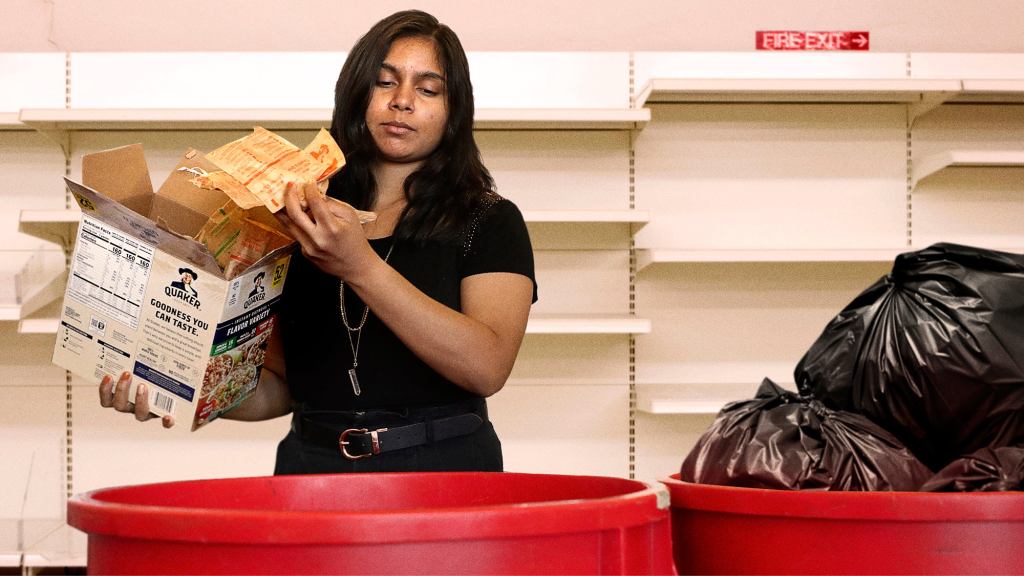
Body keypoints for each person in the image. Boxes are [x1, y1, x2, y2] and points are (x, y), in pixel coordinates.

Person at [98, 9, 537, 473]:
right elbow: (280, 389)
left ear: (453, 110)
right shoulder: (294, 215)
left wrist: (360, 266)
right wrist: (180, 388)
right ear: (356, 93)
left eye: (428, 89)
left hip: (445, 469)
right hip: (314, 468)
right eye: (385, 82)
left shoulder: (489, 219)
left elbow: (487, 367)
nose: (403, 101)